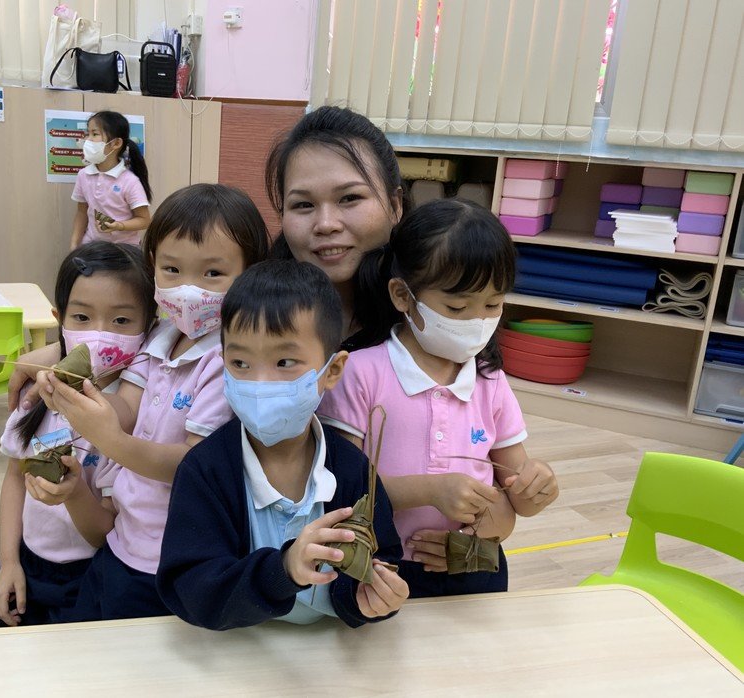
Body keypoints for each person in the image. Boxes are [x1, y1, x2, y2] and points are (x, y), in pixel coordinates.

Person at [24, 184, 270, 621]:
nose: (188, 289)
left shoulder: (229, 360)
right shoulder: (162, 336)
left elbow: (193, 464)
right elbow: (126, 409)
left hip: (169, 555)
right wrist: (76, 396)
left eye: (212, 273)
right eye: (172, 269)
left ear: (250, 275)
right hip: (122, 536)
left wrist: (111, 440)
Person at [319, 199, 559, 598]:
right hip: (380, 569)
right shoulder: (360, 373)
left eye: (493, 304)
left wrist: (538, 487)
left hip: (474, 567)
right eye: (457, 306)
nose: (478, 321)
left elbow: (517, 494)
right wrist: (431, 491)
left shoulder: (490, 381)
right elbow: (342, 489)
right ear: (402, 295)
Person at [157, 260, 408, 630]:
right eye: (240, 362)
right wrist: (283, 570)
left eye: (284, 361)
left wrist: (370, 599)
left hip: (328, 649)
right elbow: (189, 588)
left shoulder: (352, 469)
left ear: (332, 370)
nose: (260, 382)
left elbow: (380, 559)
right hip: (238, 647)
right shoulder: (205, 470)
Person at [0, 242, 154, 630]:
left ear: (149, 327)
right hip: (26, 560)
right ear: (60, 319)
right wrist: (8, 562)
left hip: (89, 576)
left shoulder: (133, 416)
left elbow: (104, 533)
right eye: (82, 317)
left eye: (121, 320)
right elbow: (14, 478)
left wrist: (74, 492)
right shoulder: (36, 396)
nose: (99, 333)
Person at [265, 105, 407, 351]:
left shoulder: (435, 318)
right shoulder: (254, 315)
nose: (326, 224)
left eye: (349, 198)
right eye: (303, 204)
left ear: (394, 206)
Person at [70, 111, 152, 250]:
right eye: (88, 134)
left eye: (95, 134)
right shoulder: (83, 175)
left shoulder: (129, 181)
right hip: (93, 246)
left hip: (125, 249)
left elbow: (144, 220)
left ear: (116, 143)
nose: (88, 140)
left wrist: (119, 226)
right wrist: (74, 244)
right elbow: (82, 212)